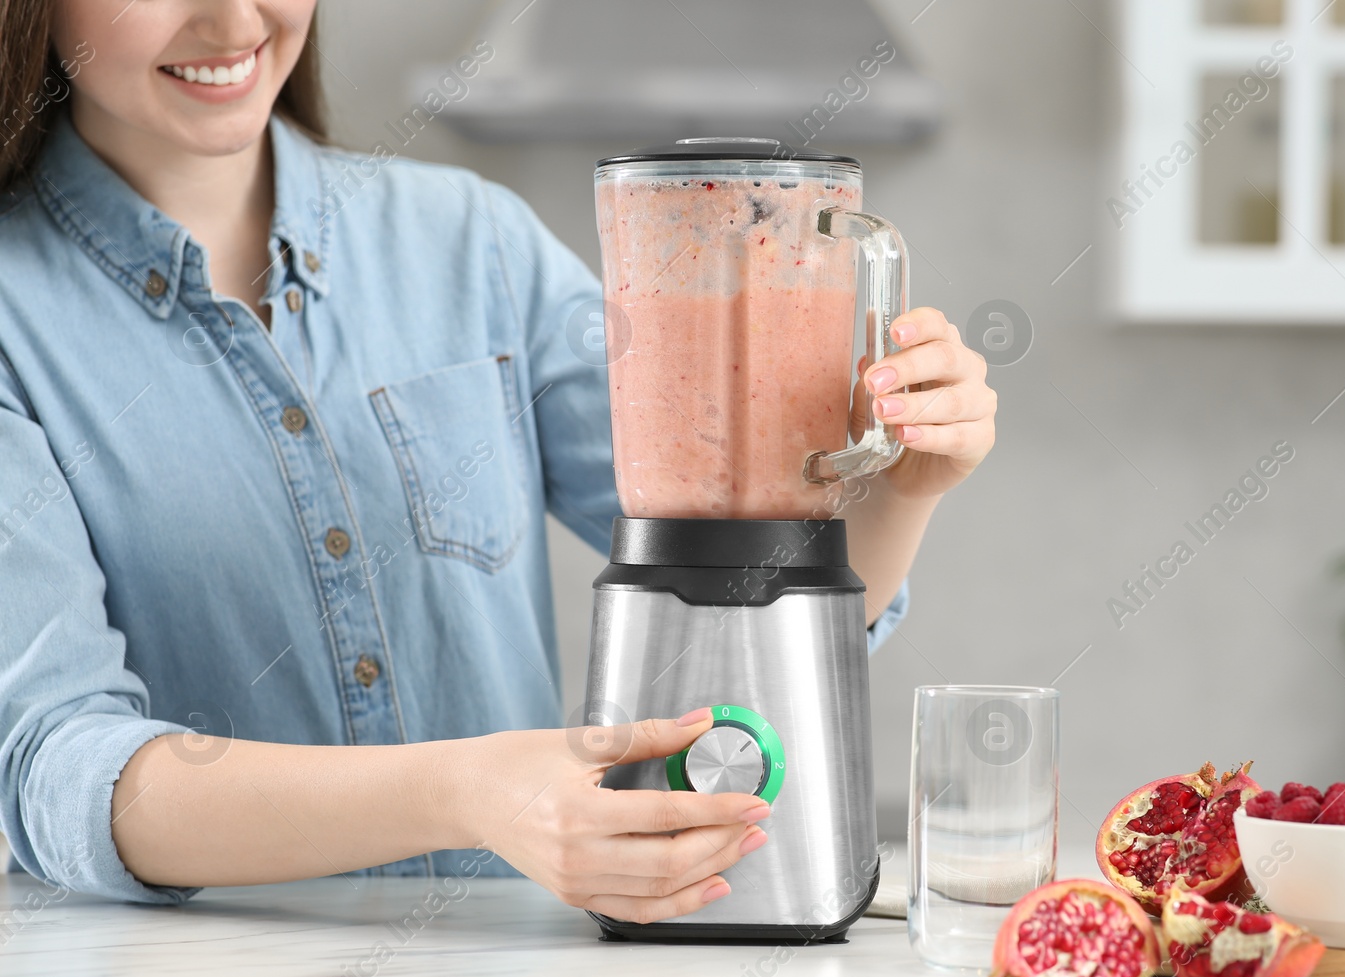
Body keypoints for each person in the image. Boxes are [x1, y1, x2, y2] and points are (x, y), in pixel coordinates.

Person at [0, 0, 998, 922]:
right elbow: (55, 768)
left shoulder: (473, 243)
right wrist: (466, 791)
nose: (230, 18)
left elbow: (748, 587)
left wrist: (904, 488)